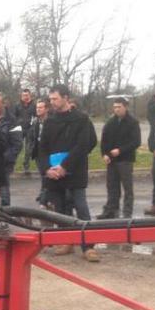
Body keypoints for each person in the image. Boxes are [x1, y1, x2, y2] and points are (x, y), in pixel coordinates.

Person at [38, 84, 99, 262]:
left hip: (75, 171)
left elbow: (84, 145)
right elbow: (42, 149)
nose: (52, 102)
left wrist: (65, 166)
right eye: (50, 100)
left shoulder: (81, 120)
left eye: (55, 99)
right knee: (60, 209)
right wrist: (47, 169)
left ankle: (88, 246)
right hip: (54, 174)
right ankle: (66, 241)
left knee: (81, 208)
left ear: (66, 97)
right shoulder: (49, 121)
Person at [97, 98, 141, 219]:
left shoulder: (133, 122)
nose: (116, 109)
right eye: (115, 107)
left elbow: (136, 142)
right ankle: (111, 210)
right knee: (112, 186)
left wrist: (120, 150)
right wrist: (104, 154)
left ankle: (127, 213)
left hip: (125, 160)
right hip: (112, 160)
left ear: (125, 107)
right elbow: (104, 140)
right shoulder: (110, 122)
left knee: (127, 187)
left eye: (119, 107)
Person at [0, 92, 23, 206]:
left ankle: (5, 215)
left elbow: (17, 144)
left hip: (4, 160)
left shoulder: (13, 121)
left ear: (4, 104)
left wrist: (6, 158)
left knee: (3, 189)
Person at [29, 99, 50, 208]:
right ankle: (44, 195)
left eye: (40, 107)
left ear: (46, 109)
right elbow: (33, 136)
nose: (38, 110)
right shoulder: (36, 122)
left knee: (47, 175)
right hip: (38, 153)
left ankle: (44, 199)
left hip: (48, 153)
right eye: (37, 108)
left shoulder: (50, 122)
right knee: (43, 175)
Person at [12, 89, 37, 175]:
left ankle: (26, 167)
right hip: (20, 129)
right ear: (21, 96)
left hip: (30, 129)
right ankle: (12, 166)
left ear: (30, 96)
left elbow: (36, 116)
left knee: (28, 149)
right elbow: (13, 116)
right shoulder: (17, 105)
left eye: (27, 95)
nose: (25, 97)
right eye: (23, 95)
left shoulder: (34, 105)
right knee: (17, 147)